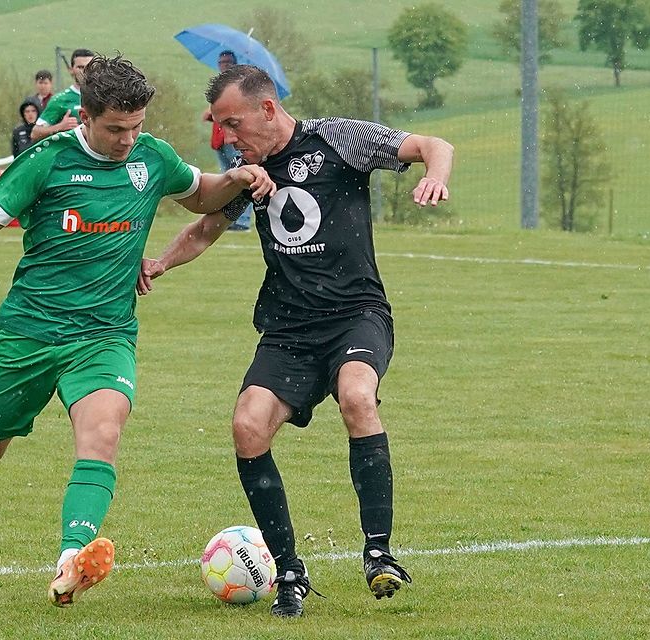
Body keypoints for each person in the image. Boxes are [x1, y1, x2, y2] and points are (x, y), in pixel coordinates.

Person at [0, 54, 275, 608]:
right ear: (85, 118)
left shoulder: (153, 158)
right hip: (29, 333)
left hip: (104, 334)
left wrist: (236, 177)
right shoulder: (45, 161)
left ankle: (71, 560)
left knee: (103, 435)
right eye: (116, 129)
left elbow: (201, 194)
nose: (127, 140)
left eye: (137, 126)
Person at [137, 64, 454, 618]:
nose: (228, 138)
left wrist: (436, 174)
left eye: (233, 123)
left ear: (267, 108)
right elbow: (208, 225)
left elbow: (432, 143)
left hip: (355, 314)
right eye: (219, 127)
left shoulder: (338, 138)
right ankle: (288, 571)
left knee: (357, 396)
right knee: (247, 425)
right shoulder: (248, 172)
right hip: (288, 328)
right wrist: (162, 261)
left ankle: (378, 553)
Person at [202, 50, 251, 231]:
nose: (224, 65)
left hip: (233, 139)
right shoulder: (220, 87)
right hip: (219, 139)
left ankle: (242, 220)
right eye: (221, 62)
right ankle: (231, 218)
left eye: (228, 62)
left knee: (242, 178)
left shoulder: (239, 86)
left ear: (234, 63)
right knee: (228, 179)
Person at [31, 48, 94, 142]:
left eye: (89, 67)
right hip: (73, 154)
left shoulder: (105, 97)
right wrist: (60, 126)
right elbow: (35, 134)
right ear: (71, 70)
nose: (85, 71)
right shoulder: (60, 99)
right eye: (80, 67)